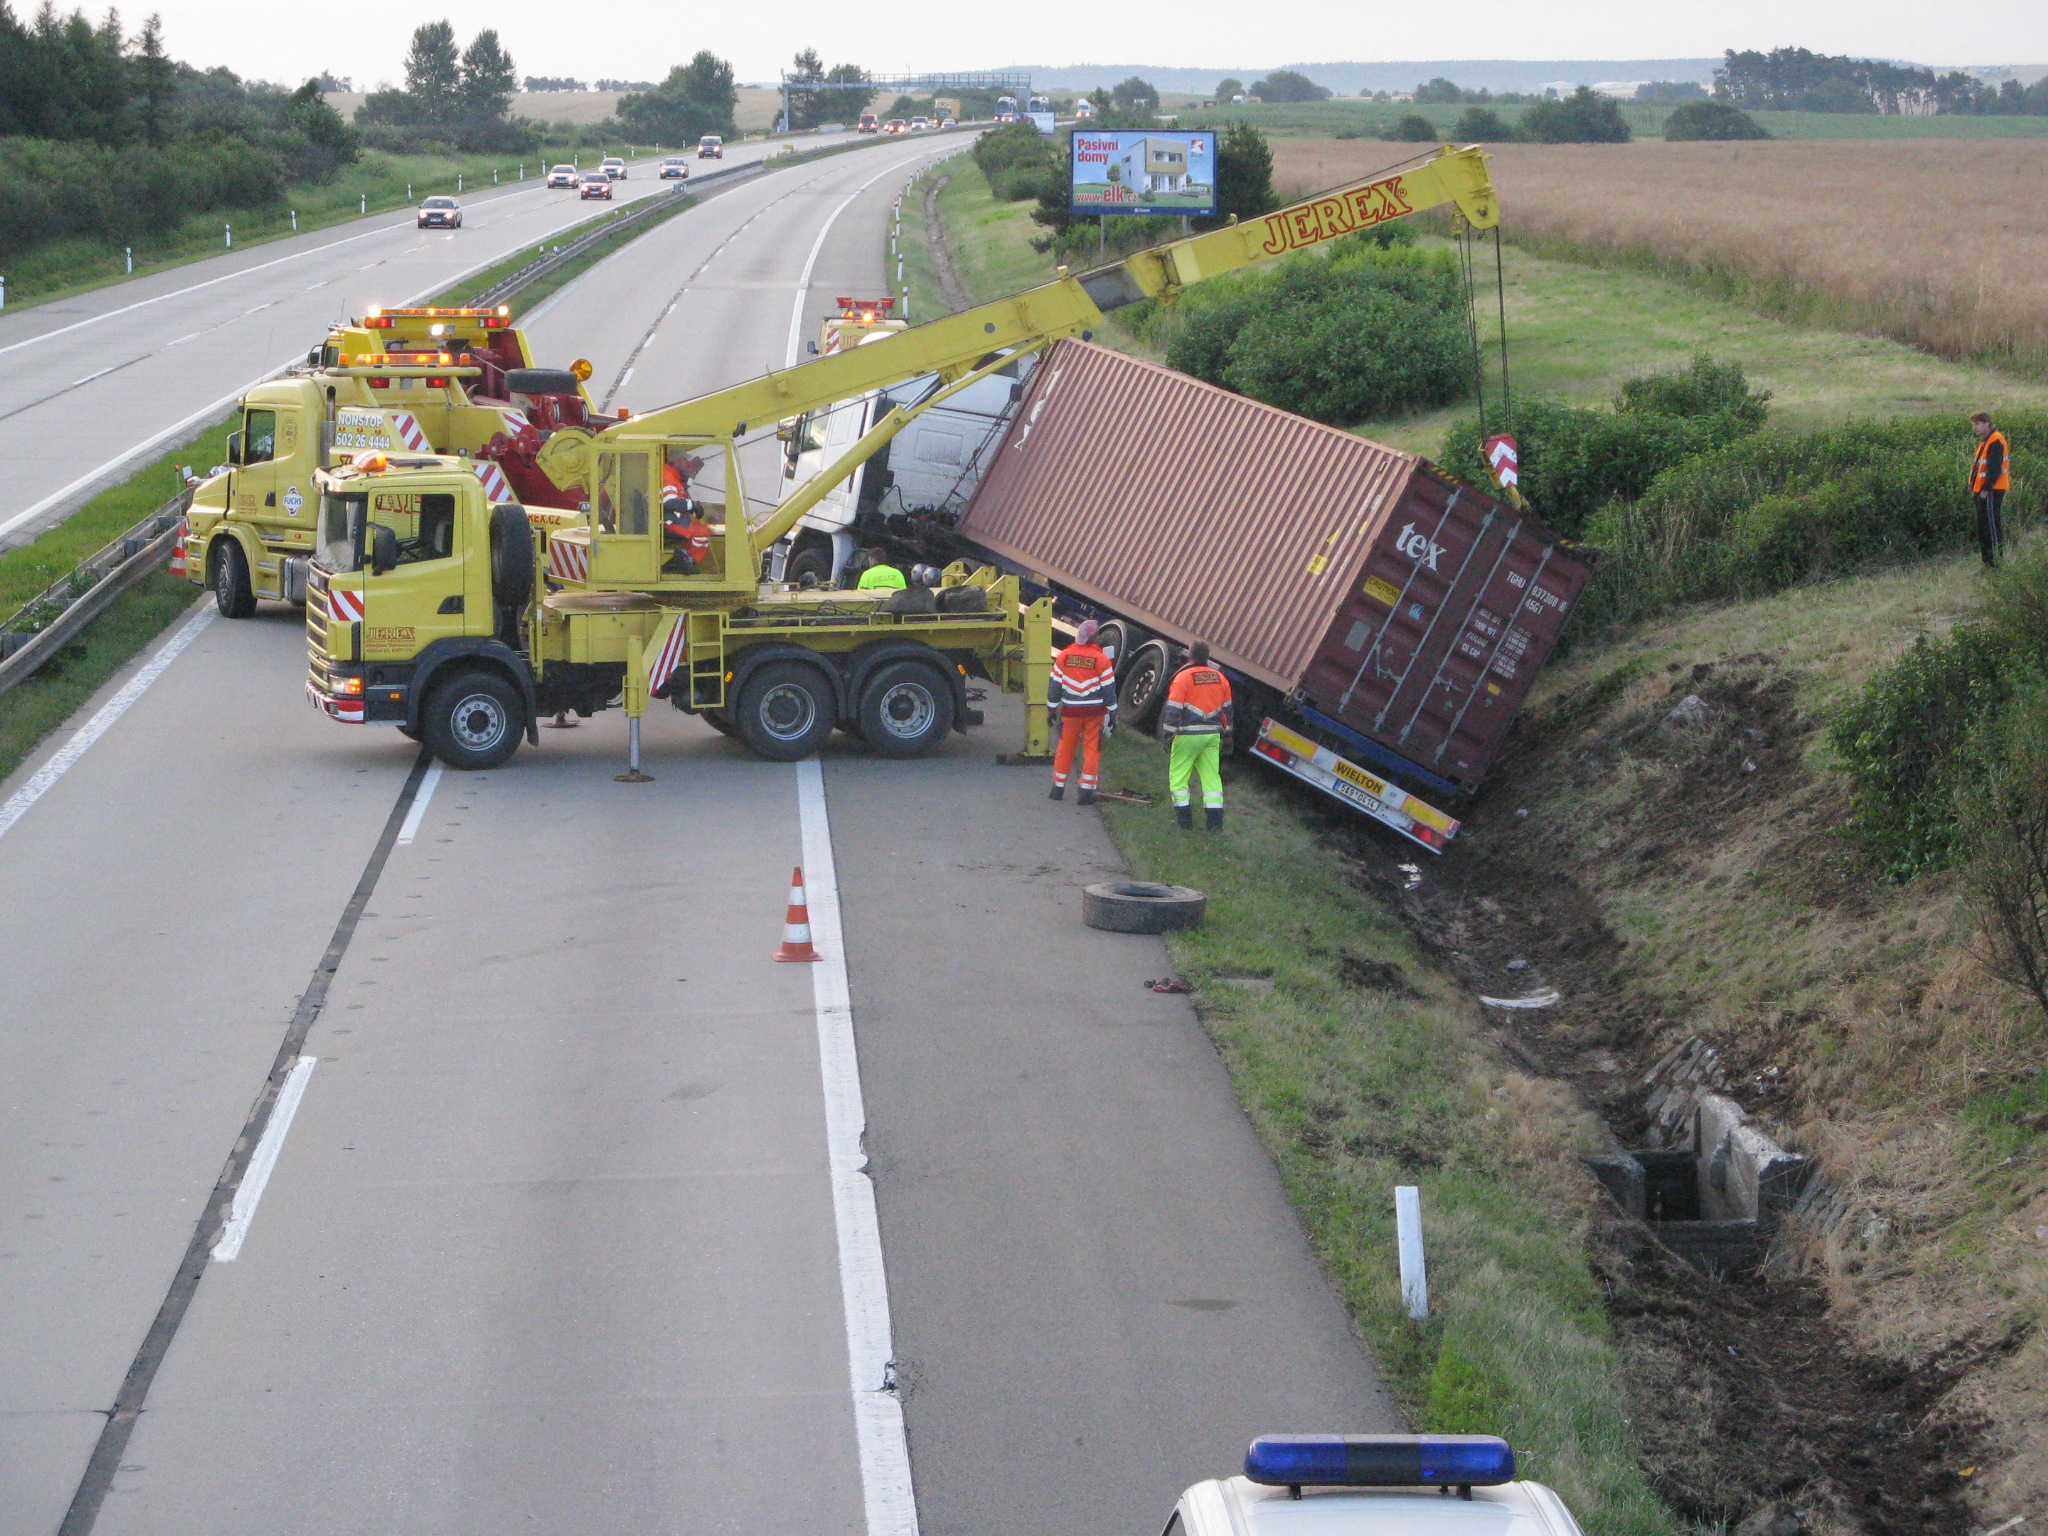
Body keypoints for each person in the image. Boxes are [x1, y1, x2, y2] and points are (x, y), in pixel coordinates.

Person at [1161, 641, 1233, 831]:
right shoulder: (1221, 678)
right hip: (1212, 736)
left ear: (1190, 655)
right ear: (1207, 657)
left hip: (1188, 735)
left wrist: (1168, 733)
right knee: (1211, 777)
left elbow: (1173, 709)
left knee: (1178, 777)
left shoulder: (1183, 677)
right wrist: (1228, 735)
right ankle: (1215, 824)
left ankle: (1185, 822)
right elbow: (1227, 711)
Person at [1048, 619, 1118, 805]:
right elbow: (1109, 690)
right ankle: (1085, 794)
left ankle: (1057, 789)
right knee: (1091, 749)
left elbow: (1054, 686)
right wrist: (1113, 713)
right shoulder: (1102, 659)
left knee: (1065, 748)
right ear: (1095, 638)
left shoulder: (1064, 656)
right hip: (1094, 713)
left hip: (1070, 711)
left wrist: (1051, 708)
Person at [661, 450, 712, 574]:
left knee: (699, 527)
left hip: (670, 518)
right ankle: (685, 563)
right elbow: (669, 502)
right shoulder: (667, 476)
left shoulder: (672, 475)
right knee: (701, 532)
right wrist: (693, 506)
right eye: (684, 460)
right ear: (677, 461)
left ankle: (684, 559)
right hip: (667, 520)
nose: (687, 463)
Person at [1971, 411, 2011, 568]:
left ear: (1987, 423)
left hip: (1991, 492)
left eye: (1977, 424)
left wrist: (1985, 490)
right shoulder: (1985, 442)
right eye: (1974, 424)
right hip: (1982, 492)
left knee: (1992, 528)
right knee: (1984, 529)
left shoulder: (1996, 441)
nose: (1975, 428)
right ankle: (1987, 564)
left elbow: (1995, 470)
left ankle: (1997, 564)